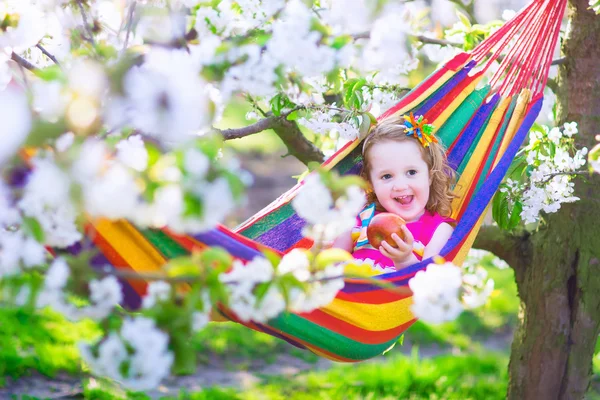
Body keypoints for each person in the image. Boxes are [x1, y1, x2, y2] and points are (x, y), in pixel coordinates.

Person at [333, 114, 458, 270]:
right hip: (349, 290)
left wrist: (404, 260)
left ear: (429, 177)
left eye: (411, 172)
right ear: (371, 183)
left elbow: (427, 281)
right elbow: (331, 263)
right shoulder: (361, 218)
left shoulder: (438, 230)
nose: (399, 186)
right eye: (386, 176)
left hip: (397, 293)